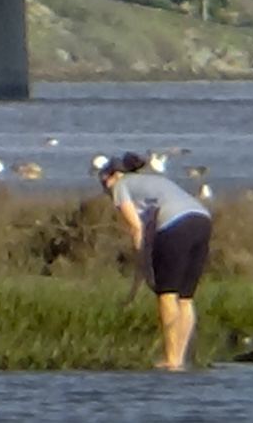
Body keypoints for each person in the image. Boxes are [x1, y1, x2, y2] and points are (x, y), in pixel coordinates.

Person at [98, 154, 212, 371]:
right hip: (202, 220)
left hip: (176, 223)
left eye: (104, 180)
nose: (104, 187)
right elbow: (151, 233)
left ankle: (171, 360)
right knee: (185, 298)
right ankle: (179, 359)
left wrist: (141, 265)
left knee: (167, 294)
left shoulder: (120, 186)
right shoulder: (154, 182)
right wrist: (144, 272)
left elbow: (136, 229)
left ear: (114, 175)